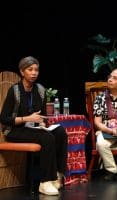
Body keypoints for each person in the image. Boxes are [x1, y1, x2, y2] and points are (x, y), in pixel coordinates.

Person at [0, 56, 67, 195]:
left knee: (60, 131)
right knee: (46, 137)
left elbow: (41, 115)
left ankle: (58, 175)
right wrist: (26, 118)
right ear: (22, 71)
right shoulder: (15, 91)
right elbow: (4, 119)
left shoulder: (40, 90)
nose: (34, 73)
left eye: (36, 70)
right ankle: (45, 182)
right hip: (14, 130)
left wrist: (43, 122)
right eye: (30, 69)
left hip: (33, 128)